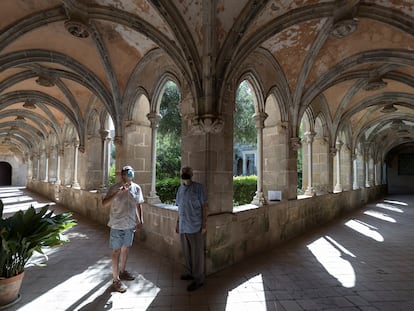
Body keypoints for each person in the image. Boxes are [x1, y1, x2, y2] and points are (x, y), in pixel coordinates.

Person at [102, 165, 144, 293]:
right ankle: (116, 280)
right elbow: (104, 203)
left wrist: (141, 219)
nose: (130, 175)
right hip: (117, 224)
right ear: (122, 175)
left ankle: (123, 271)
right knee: (116, 252)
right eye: (128, 173)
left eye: (131, 173)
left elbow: (138, 204)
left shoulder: (136, 188)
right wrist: (118, 192)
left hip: (130, 224)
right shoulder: (114, 187)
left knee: (126, 249)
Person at [175, 166, 208, 291]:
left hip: (195, 226)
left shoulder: (198, 188)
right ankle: (190, 273)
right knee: (187, 252)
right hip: (184, 225)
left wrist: (204, 223)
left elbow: (204, 206)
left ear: (192, 174)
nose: (184, 174)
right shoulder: (180, 189)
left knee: (197, 254)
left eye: (187, 172)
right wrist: (178, 222)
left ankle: (199, 279)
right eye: (183, 172)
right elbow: (180, 208)